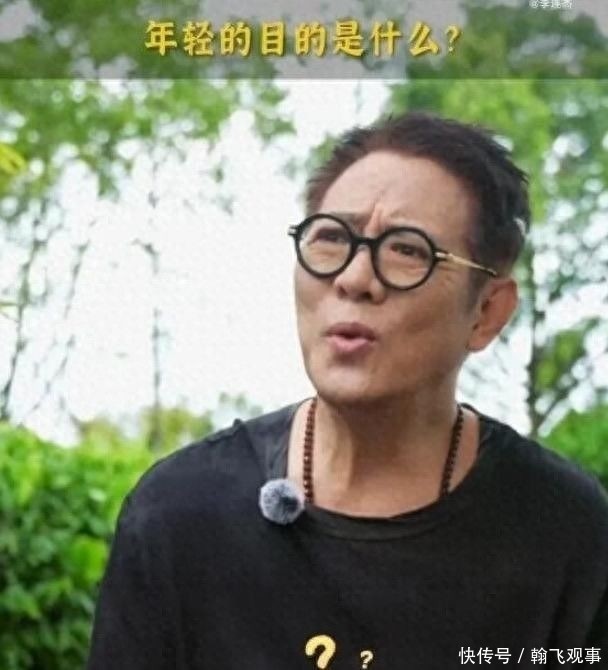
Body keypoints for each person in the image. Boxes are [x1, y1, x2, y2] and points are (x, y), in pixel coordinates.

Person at [86, 112, 608, 669]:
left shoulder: (566, 533)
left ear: (487, 312)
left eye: (407, 250)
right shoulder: (180, 515)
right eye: (332, 239)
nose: (354, 278)